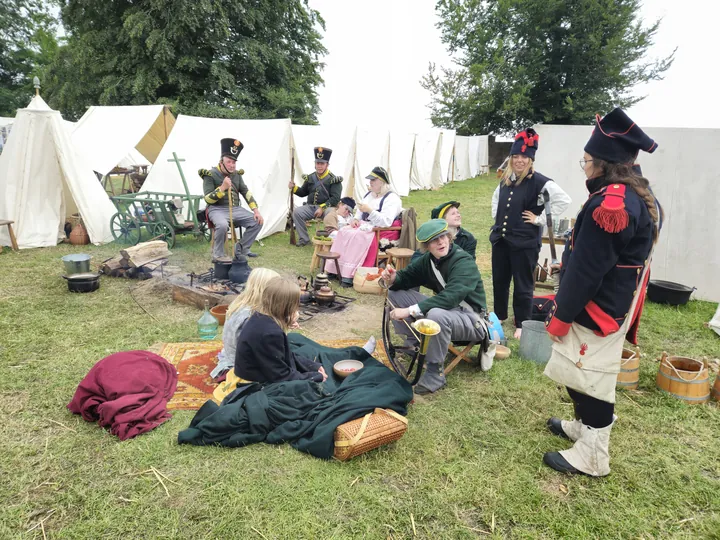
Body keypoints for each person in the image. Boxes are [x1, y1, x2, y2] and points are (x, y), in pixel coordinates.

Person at [542, 108, 663, 477]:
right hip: (613, 298)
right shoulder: (636, 194)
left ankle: (594, 453)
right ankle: (585, 429)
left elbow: (590, 269)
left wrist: (562, 314)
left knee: (590, 374)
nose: (585, 167)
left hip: (596, 305)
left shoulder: (612, 203)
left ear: (603, 164)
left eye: (587, 161)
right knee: (584, 372)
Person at [381, 219, 490, 395]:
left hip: (472, 321)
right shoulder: (429, 260)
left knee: (436, 315)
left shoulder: (463, 261)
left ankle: (435, 372)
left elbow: (450, 298)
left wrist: (410, 311)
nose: (440, 242)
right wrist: (393, 278)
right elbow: (407, 276)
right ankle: (415, 343)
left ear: (449, 237)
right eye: (434, 240)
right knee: (396, 294)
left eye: (443, 237)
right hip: (448, 312)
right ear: (427, 246)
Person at [490, 128, 571, 339]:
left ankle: (522, 321)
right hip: (501, 239)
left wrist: (539, 219)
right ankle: (499, 316)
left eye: (524, 157)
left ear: (531, 159)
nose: (519, 160)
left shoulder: (540, 182)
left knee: (523, 283)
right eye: (515, 156)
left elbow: (564, 201)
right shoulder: (506, 180)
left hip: (524, 242)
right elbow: (496, 201)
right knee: (500, 279)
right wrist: (498, 220)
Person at [235, 277, 329, 383]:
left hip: (262, 371)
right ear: (286, 306)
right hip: (254, 382)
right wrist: (314, 377)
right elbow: (280, 375)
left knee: (308, 352)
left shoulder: (260, 316)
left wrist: (312, 366)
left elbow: (285, 356)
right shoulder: (270, 333)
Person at [331, 166, 403, 287]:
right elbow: (359, 211)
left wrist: (370, 211)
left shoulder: (392, 198)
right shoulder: (369, 195)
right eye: (370, 180)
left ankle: (350, 275)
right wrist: (355, 219)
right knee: (344, 231)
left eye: (373, 180)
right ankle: (336, 269)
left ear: (382, 182)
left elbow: (386, 221)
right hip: (366, 226)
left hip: (381, 230)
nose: (370, 182)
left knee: (358, 237)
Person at [210, 268, 280, 381]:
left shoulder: (239, 303)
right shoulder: (252, 317)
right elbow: (262, 352)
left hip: (231, 356)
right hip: (240, 366)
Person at [201, 138, 264, 262]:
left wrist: (256, 210)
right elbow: (208, 199)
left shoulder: (236, 175)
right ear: (221, 161)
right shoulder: (210, 174)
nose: (232, 165)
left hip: (235, 209)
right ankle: (218, 255)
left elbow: (246, 192)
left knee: (257, 221)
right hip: (216, 209)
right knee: (222, 224)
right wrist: (222, 188)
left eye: (234, 162)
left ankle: (242, 249)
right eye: (229, 162)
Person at [289, 146, 343, 247]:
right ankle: (304, 239)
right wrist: (294, 188)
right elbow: (303, 192)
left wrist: (322, 208)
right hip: (311, 207)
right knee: (297, 212)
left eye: (322, 163)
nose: (319, 166)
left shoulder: (334, 180)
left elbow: (335, 199)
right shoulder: (311, 177)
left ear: (327, 164)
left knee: (331, 214)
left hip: (327, 208)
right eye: (317, 163)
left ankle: (332, 241)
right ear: (315, 164)